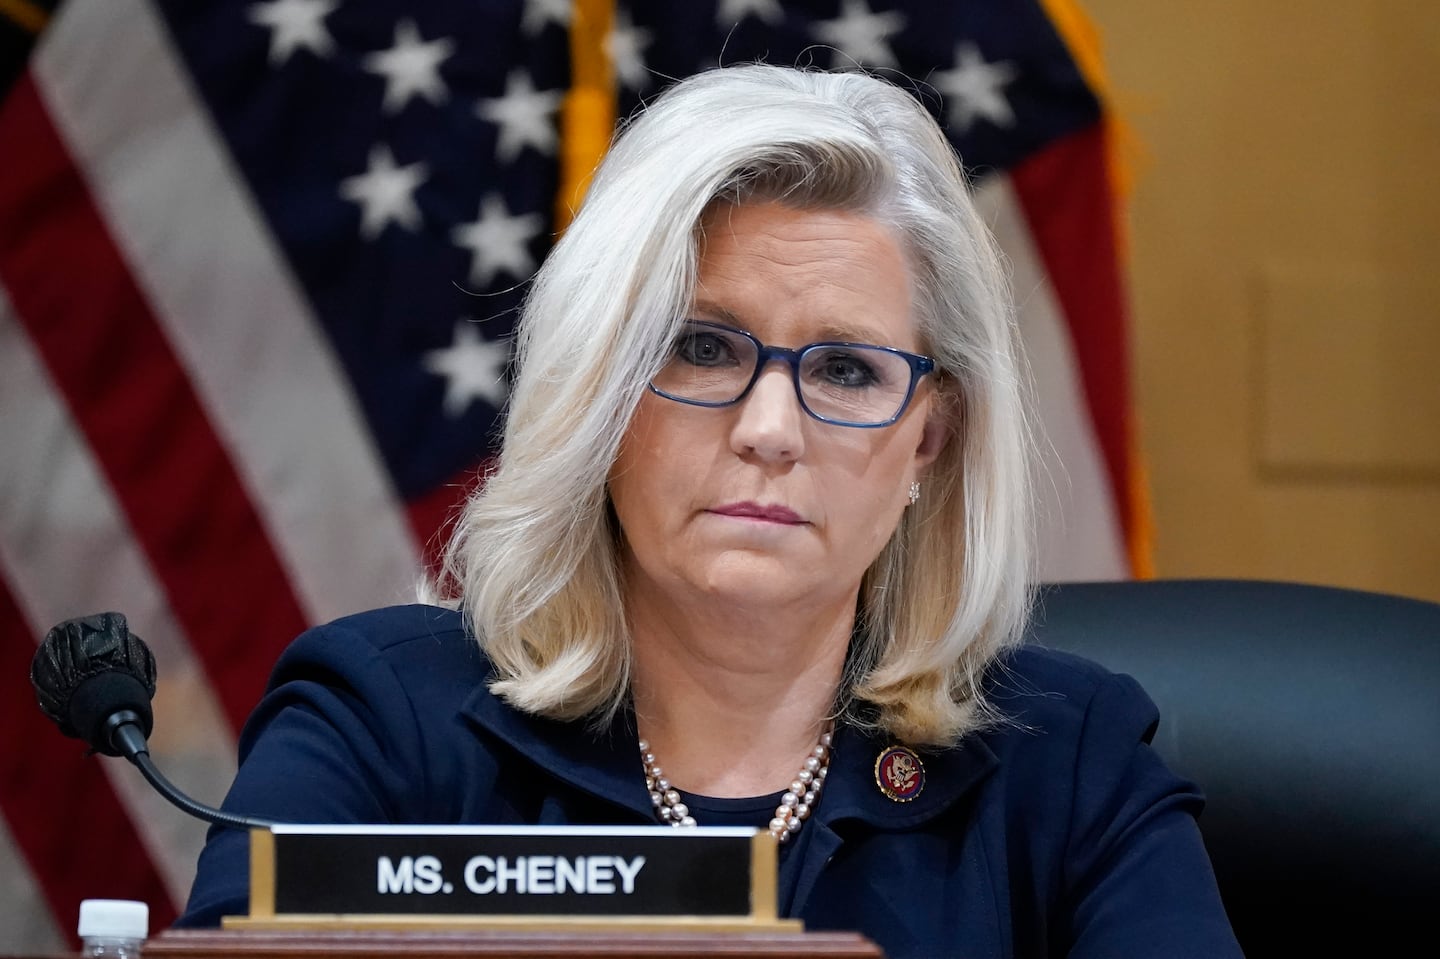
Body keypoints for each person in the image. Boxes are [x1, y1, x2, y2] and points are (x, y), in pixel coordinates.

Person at [175, 64, 1241, 957]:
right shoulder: (379, 724)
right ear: (601, 392)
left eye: (846, 370)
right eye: (703, 346)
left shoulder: (1071, 760)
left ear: (928, 437)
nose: (771, 427)